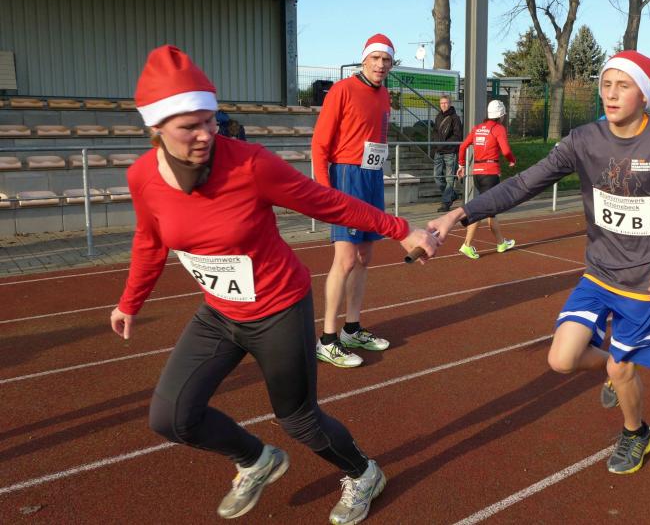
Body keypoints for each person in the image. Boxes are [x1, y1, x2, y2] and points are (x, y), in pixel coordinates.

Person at [109, 45, 438, 524]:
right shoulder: (143, 177)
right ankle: (255, 459)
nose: (206, 134)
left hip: (278, 309)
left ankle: (364, 473)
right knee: (171, 417)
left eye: (210, 120)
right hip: (219, 313)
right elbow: (149, 240)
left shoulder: (249, 164)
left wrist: (400, 228)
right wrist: (129, 302)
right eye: (189, 127)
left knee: (298, 420)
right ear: (156, 128)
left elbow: (328, 203)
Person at [429, 50, 650, 475]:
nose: (611, 94)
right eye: (606, 85)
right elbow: (524, 184)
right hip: (600, 273)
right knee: (561, 359)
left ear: (644, 95)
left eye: (623, 86)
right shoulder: (584, 140)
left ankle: (636, 432)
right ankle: (615, 370)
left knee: (622, 367)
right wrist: (460, 213)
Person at [311, 33, 398, 368]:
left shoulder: (384, 94)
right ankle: (327, 339)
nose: (380, 65)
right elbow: (320, 144)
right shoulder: (342, 90)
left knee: (364, 257)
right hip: (347, 177)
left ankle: (351, 328)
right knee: (345, 259)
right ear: (364, 59)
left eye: (386, 60)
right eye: (375, 58)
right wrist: (324, 190)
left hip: (372, 177)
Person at [455, 99, 516, 260]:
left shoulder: (477, 128)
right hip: (490, 174)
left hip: (477, 173)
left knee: (491, 211)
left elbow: (462, 146)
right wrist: (512, 160)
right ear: (501, 115)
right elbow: (506, 150)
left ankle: (501, 242)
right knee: (482, 209)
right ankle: (467, 244)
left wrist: (461, 165)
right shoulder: (499, 129)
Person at [432, 94, 463, 212]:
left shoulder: (455, 118)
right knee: (437, 176)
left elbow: (457, 136)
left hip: (450, 152)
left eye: (445, 103)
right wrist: (437, 144)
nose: (443, 105)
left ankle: (446, 202)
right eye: (441, 103)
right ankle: (452, 194)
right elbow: (435, 132)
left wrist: (444, 144)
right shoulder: (438, 116)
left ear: (450, 104)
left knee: (450, 178)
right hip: (439, 151)